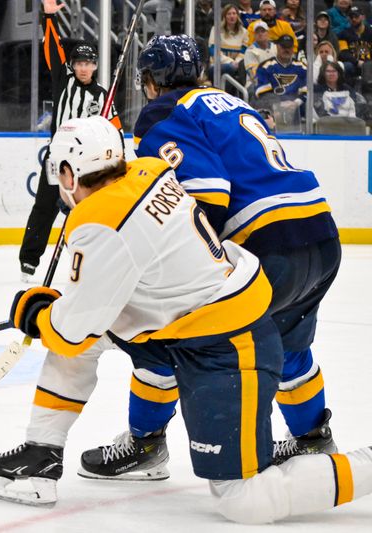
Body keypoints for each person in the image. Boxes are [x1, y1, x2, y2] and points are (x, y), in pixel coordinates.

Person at [0, 114, 372, 524]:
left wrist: (38, 315)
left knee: (244, 499)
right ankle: (43, 453)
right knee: (96, 334)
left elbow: (70, 330)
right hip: (186, 324)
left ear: (69, 173)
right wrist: (63, 308)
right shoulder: (149, 170)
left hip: (230, 344)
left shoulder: (99, 220)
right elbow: (108, 289)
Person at [80, 35, 342, 482]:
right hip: (319, 234)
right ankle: (312, 439)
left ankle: (146, 441)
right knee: (292, 342)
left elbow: (207, 195)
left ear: (152, 80)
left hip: (265, 243)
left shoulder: (164, 111)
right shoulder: (228, 100)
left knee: (159, 332)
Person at [18, 0, 121, 283]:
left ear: (95, 66)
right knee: (44, 206)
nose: (83, 68)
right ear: (72, 65)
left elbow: (114, 127)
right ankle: (29, 260)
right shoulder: (63, 81)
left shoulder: (103, 95)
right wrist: (48, 17)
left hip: (89, 164)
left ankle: (95, 259)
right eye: (79, 63)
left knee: (94, 211)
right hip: (58, 160)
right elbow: (52, 48)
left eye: (88, 63)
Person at [254, 34, 308, 124]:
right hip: (272, 110)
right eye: (283, 46)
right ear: (277, 47)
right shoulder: (266, 66)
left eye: (289, 47)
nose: (286, 49)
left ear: (293, 48)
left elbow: (307, 90)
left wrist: (295, 103)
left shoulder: (302, 67)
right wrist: (278, 105)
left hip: (297, 109)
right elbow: (262, 91)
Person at [207, 3, 247, 80]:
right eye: (229, 14)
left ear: (237, 16)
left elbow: (244, 51)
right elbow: (213, 50)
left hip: (237, 64)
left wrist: (237, 62)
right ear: (224, 16)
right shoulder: (216, 29)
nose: (232, 16)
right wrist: (230, 62)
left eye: (234, 13)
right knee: (230, 68)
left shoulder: (244, 32)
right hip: (218, 64)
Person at [337, 6, 372, 81]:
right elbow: (344, 53)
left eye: (356, 16)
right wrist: (357, 62)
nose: (353, 19)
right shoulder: (343, 34)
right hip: (353, 64)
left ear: (363, 17)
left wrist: (367, 64)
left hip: (369, 64)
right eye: (351, 17)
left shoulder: (370, 32)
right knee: (347, 66)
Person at [244, 21, 277, 89]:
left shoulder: (276, 48)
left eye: (263, 31)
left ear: (268, 33)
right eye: (257, 32)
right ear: (254, 35)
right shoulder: (250, 51)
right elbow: (254, 75)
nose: (260, 34)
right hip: (255, 84)